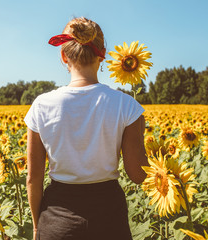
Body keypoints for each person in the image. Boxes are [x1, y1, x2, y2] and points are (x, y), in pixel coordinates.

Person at [24, 17, 149, 240]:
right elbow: (138, 174)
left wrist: (36, 226)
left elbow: (33, 178)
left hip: (57, 220)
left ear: (63, 56)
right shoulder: (127, 105)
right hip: (109, 218)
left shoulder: (42, 105)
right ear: (102, 54)